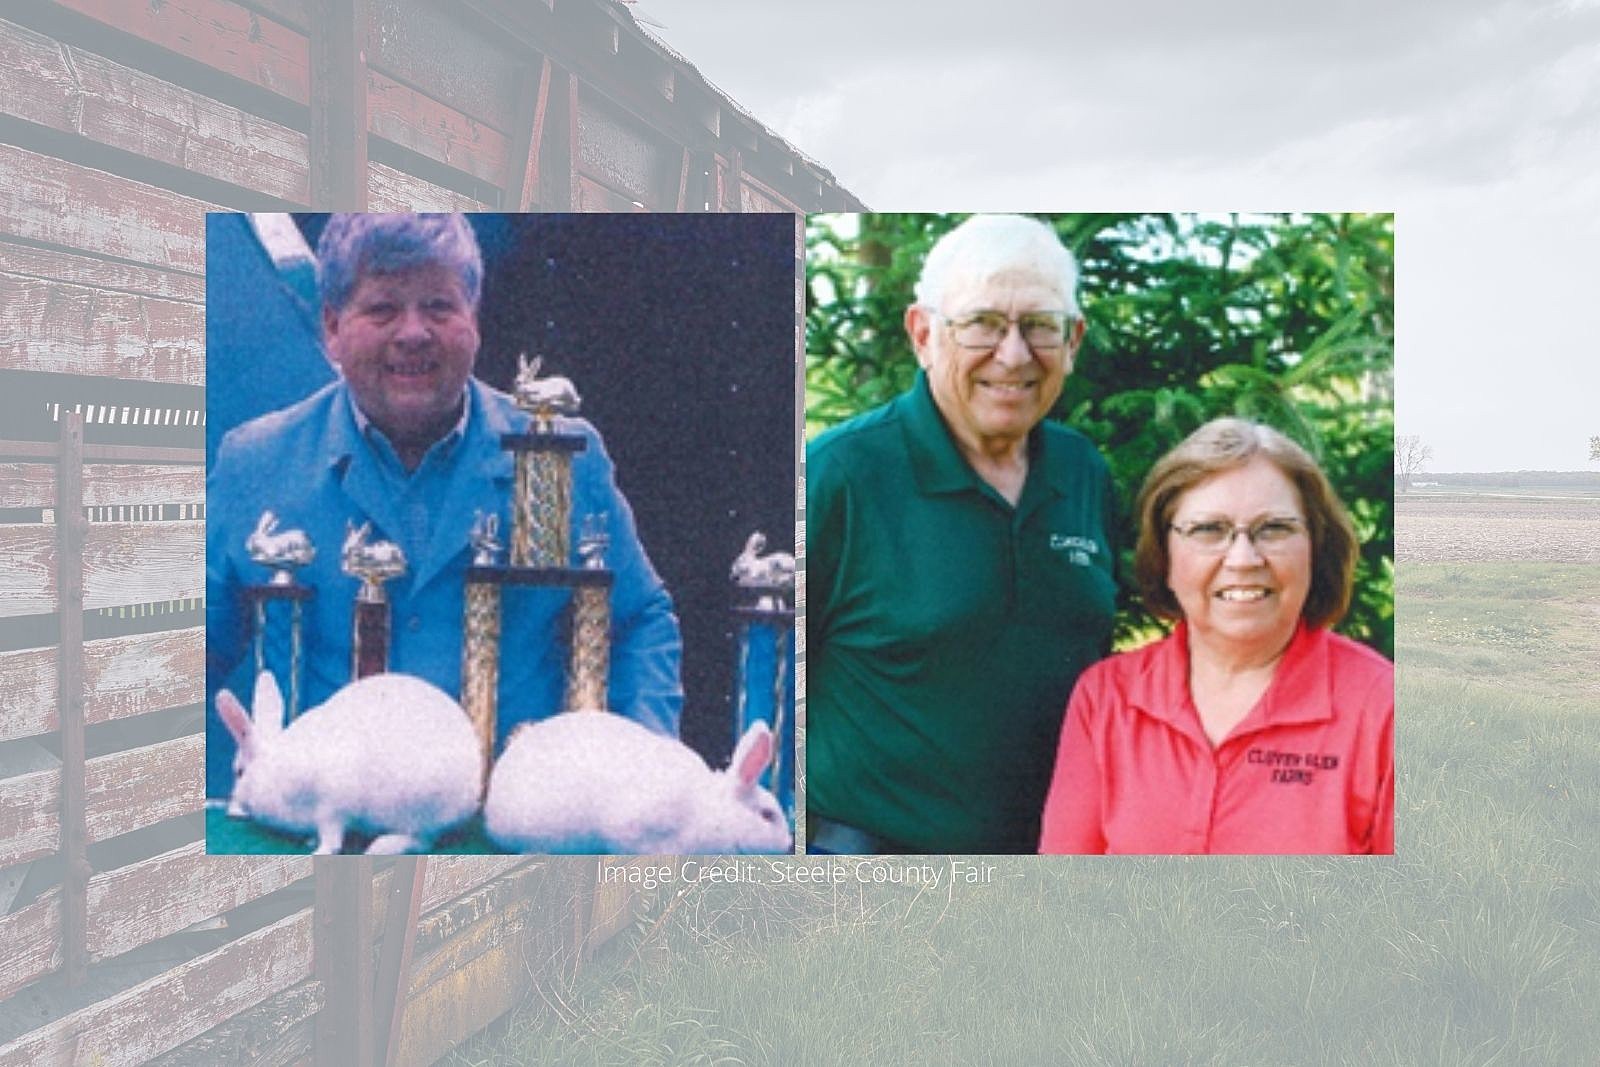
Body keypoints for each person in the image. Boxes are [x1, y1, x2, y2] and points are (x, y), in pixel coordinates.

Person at [206, 214, 683, 776]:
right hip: (326, 822)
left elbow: (638, 621)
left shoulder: (565, 457)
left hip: (511, 823)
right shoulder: (254, 464)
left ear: (473, 321)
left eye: (438, 306)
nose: (413, 333)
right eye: (383, 309)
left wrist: (644, 766)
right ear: (332, 327)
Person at [806, 214, 1117, 854]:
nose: (1013, 354)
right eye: (982, 324)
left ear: (1074, 338)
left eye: (1039, 326)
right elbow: (758, 675)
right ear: (923, 333)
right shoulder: (841, 474)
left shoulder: (1082, 470)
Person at [1038, 418, 1394, 854]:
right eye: (1209, 530)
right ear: (1164, 555)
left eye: (1274, 529)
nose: (1243, 558)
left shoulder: (1386, 710)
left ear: (1316, 548)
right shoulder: (1105, 700)